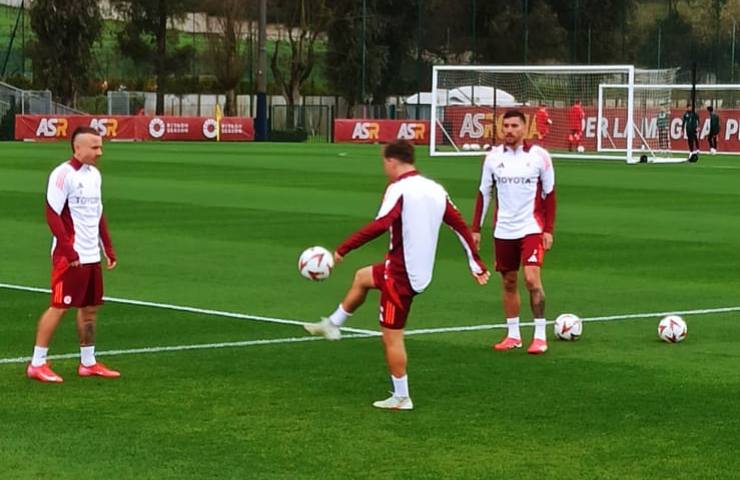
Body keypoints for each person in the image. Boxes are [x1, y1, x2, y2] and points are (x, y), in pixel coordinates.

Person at [304, 140, 490, 410]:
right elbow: (459, 225)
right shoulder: (435, 189)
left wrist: (342, 250)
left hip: (401, 276)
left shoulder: (399, 189)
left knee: (392, 336)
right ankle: (333, 324)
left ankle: (402, 396)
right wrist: (476, 262)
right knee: (363, 277)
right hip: (412, 270)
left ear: (392, 161)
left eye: (384, 163)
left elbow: (381, 224)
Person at [26, 126, 120, 383]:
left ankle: (88, 362)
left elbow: (98, 214)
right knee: (59, 307)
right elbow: (52, 214)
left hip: (91, 255)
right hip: (70, 256)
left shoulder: (95, 176)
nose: (99, 152)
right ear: (77, 148)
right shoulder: (62, 174)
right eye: (94, 147)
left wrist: (108, 248)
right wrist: (68, 251)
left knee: (89, 309)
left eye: (100, 147)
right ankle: (37, 363)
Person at [471, 110, 556, 355]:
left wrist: (548, 229)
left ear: (524, 128)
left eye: (514, 125)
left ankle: (540, 336)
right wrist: (476, 228)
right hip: (503, 229)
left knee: (531, 278)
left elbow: (549, 195)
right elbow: (483, 193)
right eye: (505, 125)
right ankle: (513, 335)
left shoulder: (540, 156)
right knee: (509, 281)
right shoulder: (492, 158)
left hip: (531, 227)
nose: (509, 130)